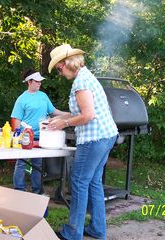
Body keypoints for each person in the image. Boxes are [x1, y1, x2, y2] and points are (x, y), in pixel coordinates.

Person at [47, 44, 118, 240]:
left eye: (59, 68)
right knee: (94, 182)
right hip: (106, 135)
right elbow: (81, 112)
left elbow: (87, 115)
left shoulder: (81, 83)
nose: (60, 73)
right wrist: (59, 118)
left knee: (78, 181)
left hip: (94, 139)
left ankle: (72, 233)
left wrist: (65, 123)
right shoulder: (86, 77)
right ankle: (97, 229)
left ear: (66, 63)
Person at [11, 69, 67, 194]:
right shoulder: (22, 99)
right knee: (21, 163)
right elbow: (16, 119)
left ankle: (37, 191)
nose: (39, 83)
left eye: (40, 81)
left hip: (42, 137)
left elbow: (53, 111)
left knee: (38, 165)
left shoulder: (43, 96)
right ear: (29, 82)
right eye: (37, 81)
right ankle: (19, 190)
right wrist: (17, 137)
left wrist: (68, 114)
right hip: (26, 137)